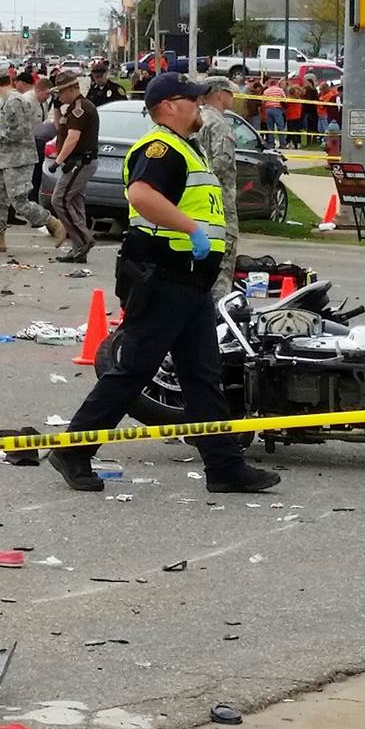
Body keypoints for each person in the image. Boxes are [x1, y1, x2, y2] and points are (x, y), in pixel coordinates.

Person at [45, 73, 278, 495]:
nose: (199, 108)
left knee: (203, 377)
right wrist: (192, 229)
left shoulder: (187, 148)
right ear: (169, 106)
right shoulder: (161, 147)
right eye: (192, 101)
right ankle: (74, 450)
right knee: (133, 370)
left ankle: (225, 468)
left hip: (189, 282)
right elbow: (141, 195)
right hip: (164, 277)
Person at [0, 73, 66, 254]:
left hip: (18, 159)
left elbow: (16, 133)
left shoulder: (13, 102)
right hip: (5, 160)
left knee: (19, 202)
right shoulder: (10, 100)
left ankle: (54, 224)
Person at [196, 77, 242, 296]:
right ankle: (219, 314)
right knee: (223, 262)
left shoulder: (197, 118)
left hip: (199, 202)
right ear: (219, 94)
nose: (232, 97)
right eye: (230, 93)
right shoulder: (218, 124)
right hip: (220, 202)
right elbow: (222, 163)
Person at [49, 70, 99, 263]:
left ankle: (84, 240)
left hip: (80, 161)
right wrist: (56, 107)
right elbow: (59, 129)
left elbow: (73, 138)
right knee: (75, 204)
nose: (59, 96)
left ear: (71, 89)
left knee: (59, 200)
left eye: (61, 92)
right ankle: (78, 250)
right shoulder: (70, 109)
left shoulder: (81, 108)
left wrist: (58, 161)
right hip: (76, 162)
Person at [260, 78, 286, 147]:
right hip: (278, 109)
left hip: (268, 110)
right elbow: (284, 99)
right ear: (276, 84)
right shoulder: (280, 90)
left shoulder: (266, 91)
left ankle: (271, 143)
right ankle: (282, 143)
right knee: (280, 127)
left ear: (270, 84)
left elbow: (263, 101)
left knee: (270, 127)